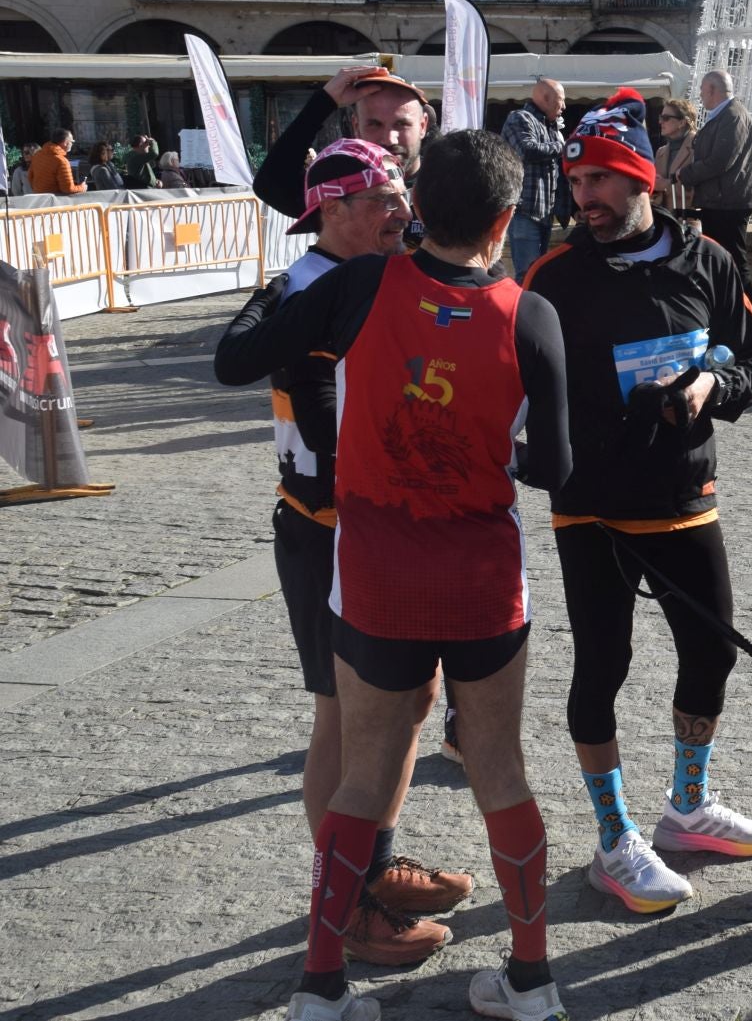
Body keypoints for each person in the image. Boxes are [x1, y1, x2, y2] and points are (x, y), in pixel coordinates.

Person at [214, 129, 574, 1021]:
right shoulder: (532, 314)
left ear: (418, 206)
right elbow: (554, 467)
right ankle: (531, 982)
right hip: (484, 577)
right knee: (501, 769)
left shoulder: (358, 284)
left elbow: (243, 354)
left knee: (361, 777)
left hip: (373, 570)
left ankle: (321, 988)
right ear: (503, 220)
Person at [521, 89, 752, 918]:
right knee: (603, 670)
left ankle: (687, 806)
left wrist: (711, 382)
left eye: (602, 180)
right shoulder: (553, 277)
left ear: (645, 182)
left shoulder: (709, 261)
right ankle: (612, 838)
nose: (584, 196)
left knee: (714, 656)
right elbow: (514, 392)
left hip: (684, 497)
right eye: (577, 180)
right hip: (591, 509)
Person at [255, 139, 475, 967]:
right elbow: (313, 409)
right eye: (383, 199)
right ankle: (346, 901)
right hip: (325, 524)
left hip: (381, 522)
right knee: (342, 718)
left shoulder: (384, 276)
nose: (401, 211)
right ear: (332, 211)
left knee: (408, 699)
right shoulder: (303, 288)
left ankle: (375, 867)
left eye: (400, 195)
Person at [257, 64, 435, 223]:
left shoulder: (447, 183)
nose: (389, 139)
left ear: (423, 125)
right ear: (356, 126)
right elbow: (271, 185)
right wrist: (323, 103)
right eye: (374, 124)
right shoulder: (341, 187)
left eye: (401, 124)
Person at [679, 69, 752, 296]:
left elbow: (719, 161)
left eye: (703, 91)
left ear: (712, 90)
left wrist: (686, 174)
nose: (701, 96)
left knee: (733, 262)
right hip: (721, 200)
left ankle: (746, 321)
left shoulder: (732, 116)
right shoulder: (724, 115)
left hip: (728, 202)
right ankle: (735, 318)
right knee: (725, 261)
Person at [502, 78, 568, 278]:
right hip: (525, 211)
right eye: (561, 100)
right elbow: (527, 150)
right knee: (527, 274)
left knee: (537, 274)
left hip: (544, 213)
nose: (564, 106)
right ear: (546, 98)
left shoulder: (551, 127)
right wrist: (563, 147)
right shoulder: (520, 118)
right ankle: (523, 310)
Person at [651, 97, 700, 216]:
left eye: (666, 118)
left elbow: (701, 188)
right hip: (666, 219)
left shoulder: (699, 146)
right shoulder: (661, 152)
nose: (660, 122)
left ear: (682, 122)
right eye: (660, 117)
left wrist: (666, 184)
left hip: (689, 219)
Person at [28, 130, 84, 195]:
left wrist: (38, 190)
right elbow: (68, 189)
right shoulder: (61, 161)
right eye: (72, 142)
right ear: (65, 143)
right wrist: (82, 187)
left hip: (40, 198)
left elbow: (30, 177)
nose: (72, 144)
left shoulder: (38, 155)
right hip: (56, 200)